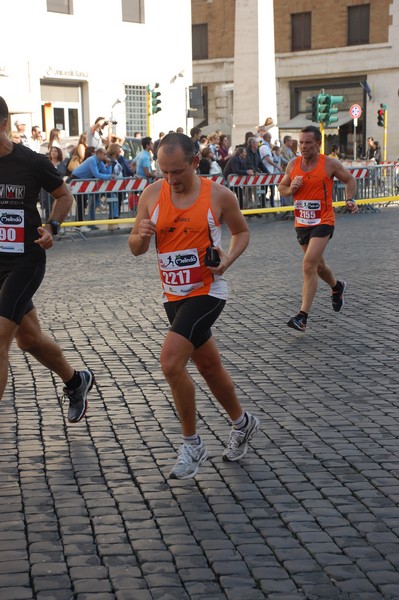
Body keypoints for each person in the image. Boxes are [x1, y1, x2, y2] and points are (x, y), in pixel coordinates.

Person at [128, 133, 260, 480]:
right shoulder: (152, 194)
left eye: (177, 172)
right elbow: (135, 248)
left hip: (208, 290)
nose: (171, 180)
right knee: (209, 367)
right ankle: (243, 423)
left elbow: (242, 232)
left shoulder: (218, 195)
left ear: (195, 163)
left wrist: (227, 259)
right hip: (173, 295)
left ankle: (192, 444)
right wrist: (141, 234)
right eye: (164, 172)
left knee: (170, 362)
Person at [0, 96, 94, 422]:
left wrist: (52, 225)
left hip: (25, 260)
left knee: (1, 339)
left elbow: (64, 195)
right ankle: (76, 380)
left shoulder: (30, 161)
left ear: (2, 125)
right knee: (28, 338)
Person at [278, 125, 358, 333]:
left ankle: (302, 317)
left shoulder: (329, 164)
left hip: (323, 221)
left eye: (308, 143)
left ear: (318, 144)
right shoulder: (293, 164)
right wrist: (291, 188)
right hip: (302, 223)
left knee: (308, 265)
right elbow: (282, 188)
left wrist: (349, 198)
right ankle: (337, 286)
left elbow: (350, 179)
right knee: (318, 267)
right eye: (301, 142)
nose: (303, 147)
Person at [71, 147, 112, 229]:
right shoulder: (92, 160)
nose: (105, 156)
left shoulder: (100, 162)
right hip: (76, 179)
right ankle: (79, 225)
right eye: (104, 154)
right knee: (80, 202)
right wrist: (110, 176)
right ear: (99, 154)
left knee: (82, 203)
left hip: (82, 181)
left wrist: (109, 165)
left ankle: (80, 224)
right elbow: (97, 175)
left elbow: (106, 173)